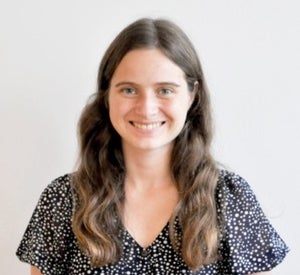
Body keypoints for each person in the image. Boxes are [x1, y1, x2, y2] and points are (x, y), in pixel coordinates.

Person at [16, 17, 289, 275]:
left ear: (192, 95)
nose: (147, 108)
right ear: (107, 94)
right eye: (129, 89)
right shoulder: (63, 200)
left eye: (165, 90)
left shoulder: (230, 198)